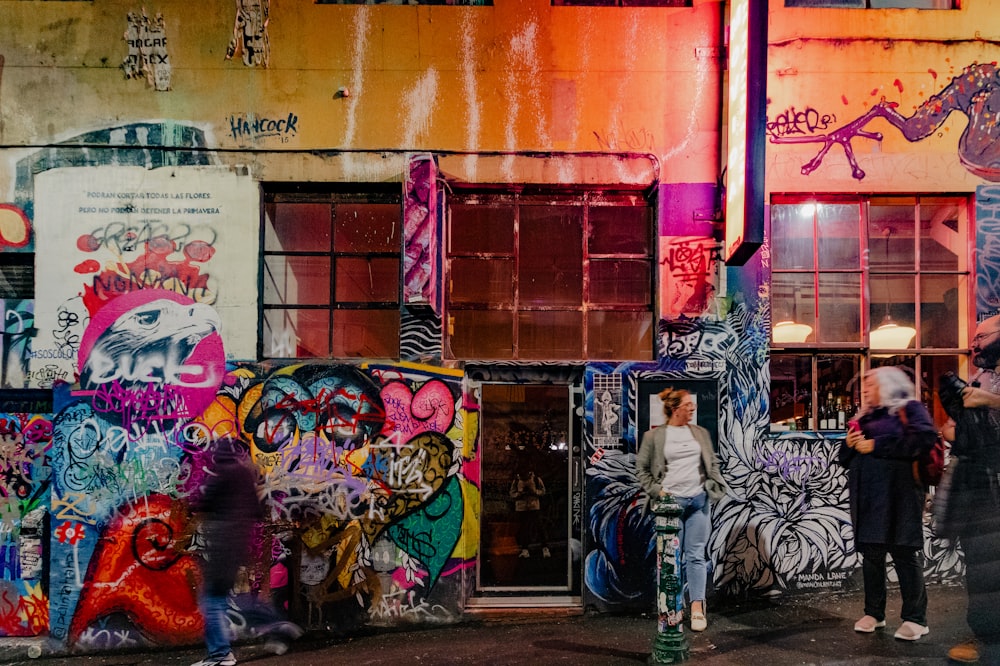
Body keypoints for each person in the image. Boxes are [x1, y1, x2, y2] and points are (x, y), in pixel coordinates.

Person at [839, 366, 936, 641]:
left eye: (871, 385)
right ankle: (874, 613)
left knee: (904, 552)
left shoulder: (911, 408)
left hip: (900, 495)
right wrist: (849, 443)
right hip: (867, 496)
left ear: (890, 385)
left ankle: (916, 618)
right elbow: (844, 458)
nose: (866, 390)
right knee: (871, 554)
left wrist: (877, 445)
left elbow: (924, 439)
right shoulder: (865, 416)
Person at [190, 437, 302, 666]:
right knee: (230, 600)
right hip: (237, 546)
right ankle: (277, 625)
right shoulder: (243, 477)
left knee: (212, 602)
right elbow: (257, 510)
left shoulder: (221, 478)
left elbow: (199, 503)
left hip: (222, 548)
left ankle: (220, 655)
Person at [636, 388, 728, 632]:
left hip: (698, 501)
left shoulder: (700, 433)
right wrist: (659, 492)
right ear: (675, 409)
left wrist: (713, 485)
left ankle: (697, 607)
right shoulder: (654, 437)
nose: (692, 408)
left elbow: (712, 462)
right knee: (671, 559)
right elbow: (642, 470)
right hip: (670, 506)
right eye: (687, 405)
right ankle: (673, 607)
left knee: (696, 555)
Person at [941, 314, 1000, 665]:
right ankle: (986, 638)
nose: (974, 343)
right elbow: (952, 428)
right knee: (981, 568)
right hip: (982, 488)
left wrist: (989, 402)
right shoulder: (983, 375)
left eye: (981, 336)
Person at [510, 469, 549, 558]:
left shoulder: (535, 479)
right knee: (524, 529)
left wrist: (534, 492)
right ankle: (525, 549)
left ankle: (544, 547)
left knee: (539, 526)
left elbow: (543, 491)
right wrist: (519, 494)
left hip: (533, 506)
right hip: (522, 507)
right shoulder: (516, 480)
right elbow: (512, 493)